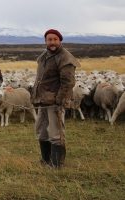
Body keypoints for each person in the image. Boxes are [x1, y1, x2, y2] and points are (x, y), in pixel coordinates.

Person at [31, 29, 80, 168]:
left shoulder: (65, 58)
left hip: (55, 102)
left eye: (55, 39)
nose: (52, 42)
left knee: (56, 132)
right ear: (46, 41)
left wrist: (60, 100)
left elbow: (68, 82)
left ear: (60, 41)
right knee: (41, 131)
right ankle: (46, 160)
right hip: (43, 101)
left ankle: (57, 164)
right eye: (49, 39)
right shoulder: (44, 56)